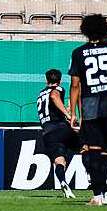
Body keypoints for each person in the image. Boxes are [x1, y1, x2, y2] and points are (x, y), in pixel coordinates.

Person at [68, 14, 107, 207]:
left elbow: (74, 85)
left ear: (85, 31)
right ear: (104, 29)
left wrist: (73, 112)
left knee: (94, 153)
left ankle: (97, 197)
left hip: (89, 107)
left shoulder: (78, 53)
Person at [36, 68, 78, 200]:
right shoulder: (58, 90)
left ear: (46, 80)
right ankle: (91, 176)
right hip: (60, 127)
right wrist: (68, 114)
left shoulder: (40, 94)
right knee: (87, 148)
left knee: (59, 161)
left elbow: (52, 105)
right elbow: (54, 95)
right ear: (59, 81)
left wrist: (66, 108)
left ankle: (63, 182)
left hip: (47, 132)